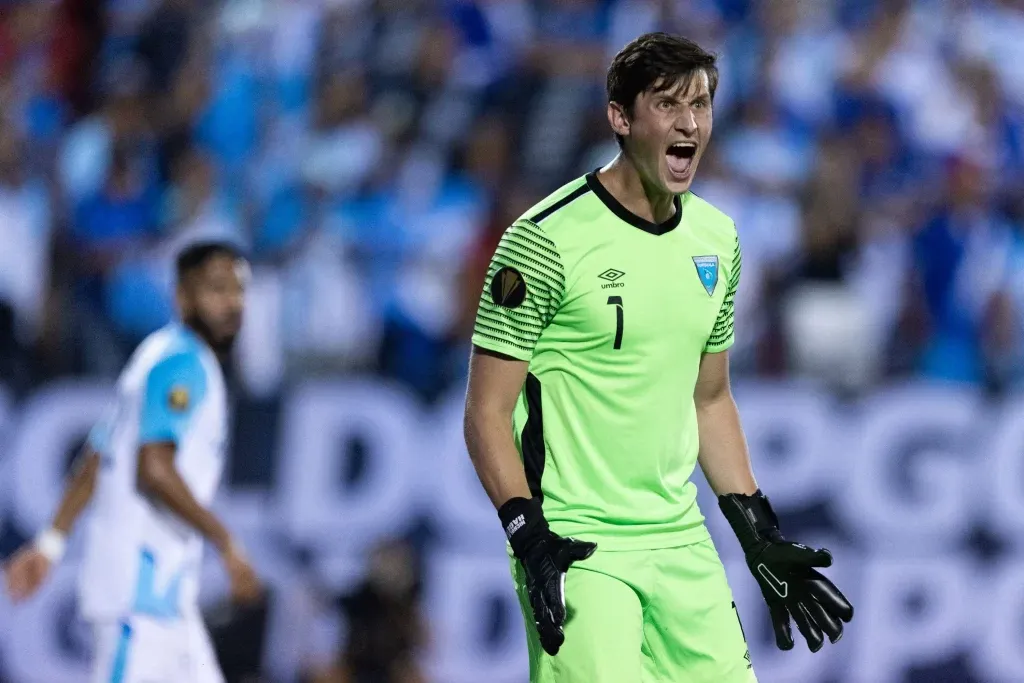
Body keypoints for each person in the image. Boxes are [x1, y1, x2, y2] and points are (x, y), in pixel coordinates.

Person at [463, 32, 854, 683]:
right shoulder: (543, 241)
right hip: (578, 545)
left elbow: (709, 397)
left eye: (700, 105)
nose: (689, 123)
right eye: (668, 105)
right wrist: (527, 534)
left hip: (681, 541)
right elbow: (485, 411)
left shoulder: (717, 239)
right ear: (621, 117)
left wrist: (758, 529)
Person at [3, 241, 262, 683]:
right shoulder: (183, 363)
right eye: (216, 290)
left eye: (238, 290)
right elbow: (154, 468)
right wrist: (226, 542)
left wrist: (50, 543)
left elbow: (96, 456)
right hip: (139, 600)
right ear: (183, 297)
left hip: (166, 603)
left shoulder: (151, 356)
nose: (231, 303)